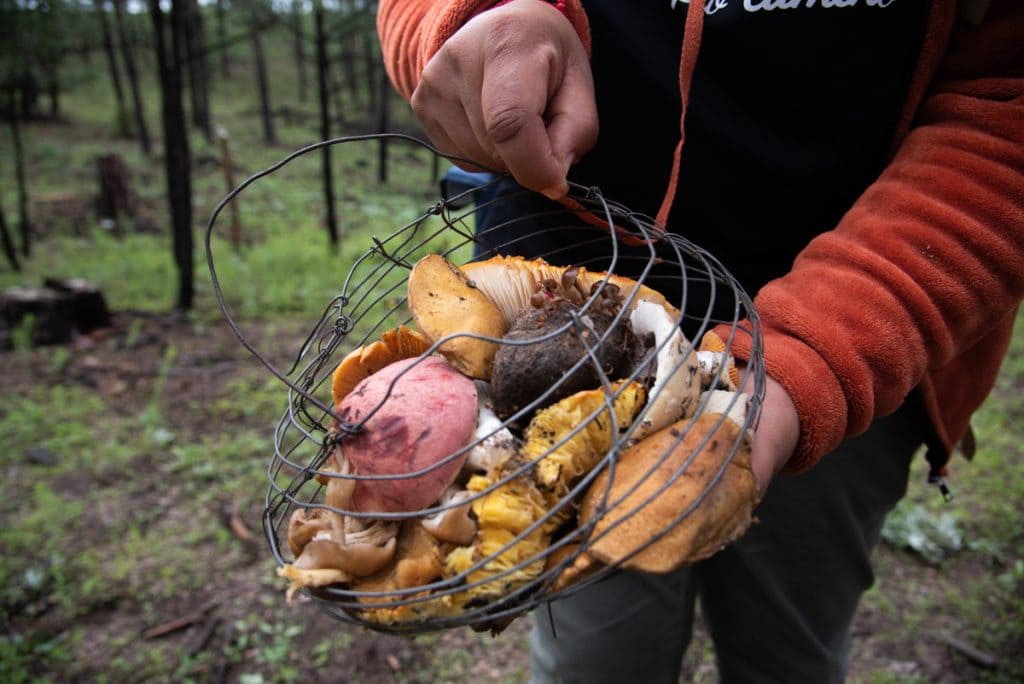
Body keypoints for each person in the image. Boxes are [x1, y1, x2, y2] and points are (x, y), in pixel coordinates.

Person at [376, 0, 1024, 681]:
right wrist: (479, 19)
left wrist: (811, 361)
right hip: (557, 326)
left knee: (789, 652)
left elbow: (1004, 108)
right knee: (596, 659)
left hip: (855, 326)